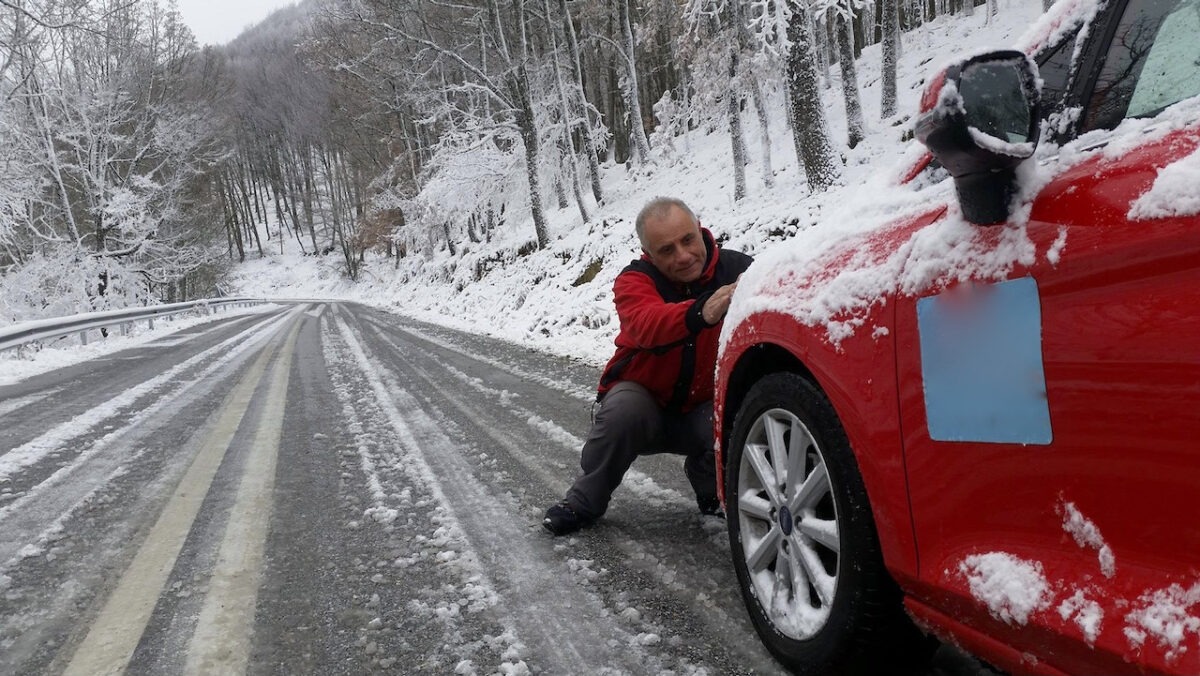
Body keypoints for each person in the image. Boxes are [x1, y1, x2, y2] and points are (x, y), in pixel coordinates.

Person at [543, 197, 754, 536]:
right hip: (644, 410)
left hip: (702, 409)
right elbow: (646, 324)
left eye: (687, 240)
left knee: (739, 413)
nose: (683, 256)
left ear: (701, 232)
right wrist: (703, 309)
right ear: (649, 254)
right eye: (666, 250)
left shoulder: (741, 271)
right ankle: (583, 502)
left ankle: (711, 490)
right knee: (624, 409)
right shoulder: (634, 281)